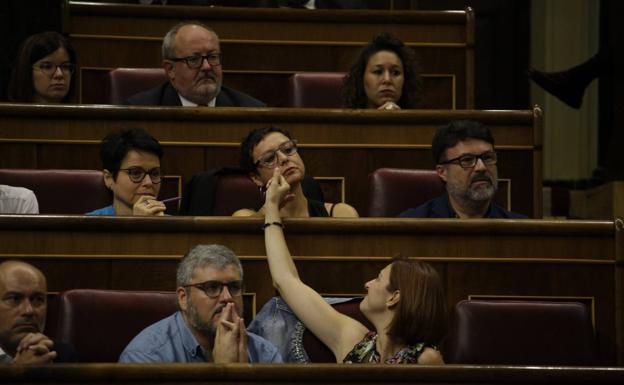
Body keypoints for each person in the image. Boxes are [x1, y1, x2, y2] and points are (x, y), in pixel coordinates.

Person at [261, 169, 447, 363]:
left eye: (378, 278)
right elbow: (286, 280)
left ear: (394, 297)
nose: (367, 284)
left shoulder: (425, 358)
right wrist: (272, 208)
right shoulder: (352, 339)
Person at [119, 244, 282, 363]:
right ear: (184, 298)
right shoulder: (146, 357)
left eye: (234, 287)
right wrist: (225, 375)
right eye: (212, 287)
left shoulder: (264, 353)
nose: (227, 297)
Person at [400, 120, 526, 219]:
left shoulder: (521, 231)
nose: (481, 167)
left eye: (487, 158)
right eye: (467, 160)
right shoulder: (413, 225)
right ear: (442, 172)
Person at [125, 21, 265, 107]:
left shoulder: (250, 110)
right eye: (194, 59)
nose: (206, 67)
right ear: (170, 69)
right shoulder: (140, 110)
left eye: (213, 57)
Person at [233, 126, 358, 218]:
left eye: (287, 149)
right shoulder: (244, 217)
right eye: (270, 158)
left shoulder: (340, 214)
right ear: (256, 178)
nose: (284, 158)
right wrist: (272, 206)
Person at [0, 260, 76, 364]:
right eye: (14, 299)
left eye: (38, 299)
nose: (29, 310)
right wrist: (19, 373)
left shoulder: (61, 354)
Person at [87, 128, 167, 216]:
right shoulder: (87, 225)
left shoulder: (175, 226)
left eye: (155, 174)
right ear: (108, 179)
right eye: (136, 173)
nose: (149, 182)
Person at [342, 32, 421, 111]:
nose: (387, 80)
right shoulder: (345, 122)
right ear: (361, 77)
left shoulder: (420, 122)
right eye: (378, 72)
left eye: (395, 73)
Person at [7, 31, 76, 104]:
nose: (59, 74)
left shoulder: (81, 114)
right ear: (28, 71)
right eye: (47, 67)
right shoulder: (7, 114)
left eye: (65, 67)